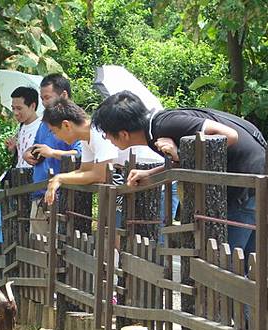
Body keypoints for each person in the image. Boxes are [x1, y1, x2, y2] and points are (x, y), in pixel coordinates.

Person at [91, 90, 267, 262]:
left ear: (123, 134)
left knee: (224, 266)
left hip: (246, 184)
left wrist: (179, 152)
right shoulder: (154, 129)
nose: (106, 137)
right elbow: (186, 159)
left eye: (106, 132)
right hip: (253, 180)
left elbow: (230, 136)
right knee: (248, 265)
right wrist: (150, 173)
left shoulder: (165, 125)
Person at [21, 74, 82, 235]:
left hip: (63, 197)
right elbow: (36, 145)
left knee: (58, 250)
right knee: (38, 251)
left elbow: (79, 154)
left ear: (64, 95)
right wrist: (27, 153)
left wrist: (53, 153)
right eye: (42, 98)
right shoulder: (43, 123)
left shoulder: (75, 120)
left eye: (47, 97)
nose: (44, 103)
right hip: (39, 195)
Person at [5, 87, 41, 169]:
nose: (15, 113)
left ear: (32, 106)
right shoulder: (21, 127)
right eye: (13, 108)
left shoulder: (42, 128)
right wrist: (14, 149)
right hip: (19, 177)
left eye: (19, 108)